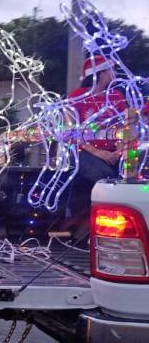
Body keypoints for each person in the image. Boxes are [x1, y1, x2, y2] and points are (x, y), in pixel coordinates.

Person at [67, 55, 125, 232]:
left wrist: (119, 151)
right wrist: (99, 153)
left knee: (130, 176)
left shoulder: (117, 96)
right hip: (84, 152)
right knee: (106, 178)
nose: (113, 73)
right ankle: (97, 224)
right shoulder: (76, 98)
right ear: (100, 73)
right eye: (110, 69)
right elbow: (72, 133)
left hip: (114, 153)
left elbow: (125, 126)